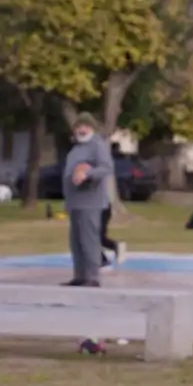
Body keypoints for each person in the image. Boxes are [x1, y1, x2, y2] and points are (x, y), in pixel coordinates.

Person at [63, 114, 114, 288]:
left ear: (92, 128)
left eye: (85, 126)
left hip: (90, 202)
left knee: (89, 239)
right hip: (75, 202)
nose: (82, 130)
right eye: (78, 126)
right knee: (76, 241)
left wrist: (88, 174)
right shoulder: (76, 148)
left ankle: (93, 277)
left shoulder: (97, 145)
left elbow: (106, 167)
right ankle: (79, 275)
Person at [100, 142, 127, 272]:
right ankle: (115, 247)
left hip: (101, 206)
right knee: (94, 236)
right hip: (96, 206)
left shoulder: (102, 166)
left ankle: (104, 260)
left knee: (92, 236)